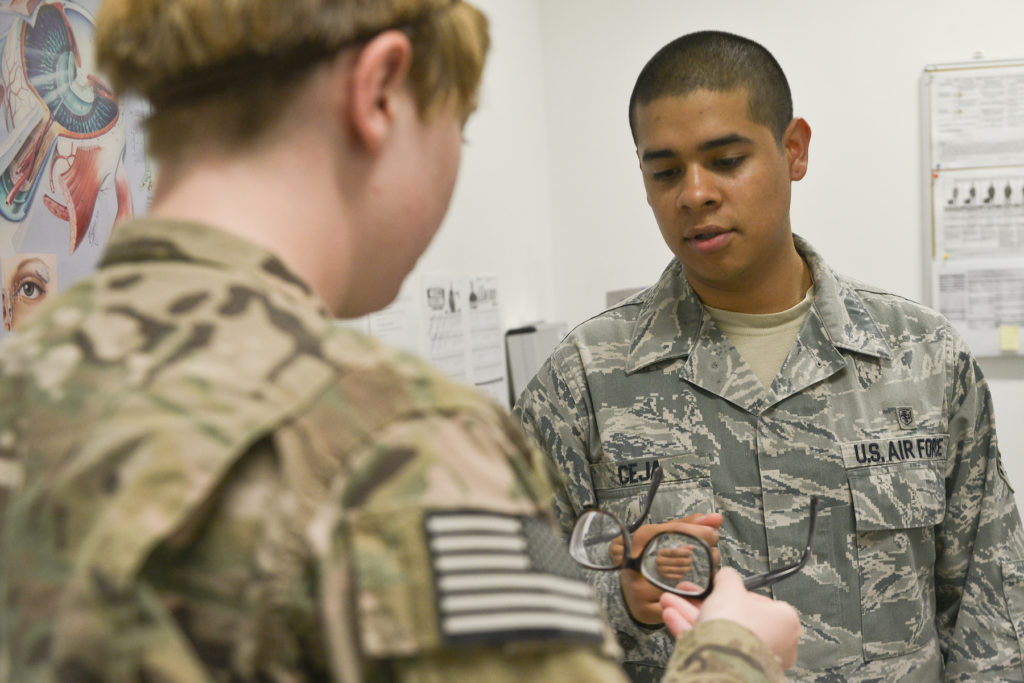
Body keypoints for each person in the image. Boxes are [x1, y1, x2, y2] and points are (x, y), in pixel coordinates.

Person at [0, 4, 800, 681]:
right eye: (458, 125)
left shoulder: (23, 383)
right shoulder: (405, 445)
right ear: (379, 91)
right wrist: (731, 655)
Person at [515, 29, 1024, 682]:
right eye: (665, 171)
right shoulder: (584, 380)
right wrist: (624, 599)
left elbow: (992, 610)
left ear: (794, 150)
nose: (694, 193)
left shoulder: (922, 359)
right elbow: (511, 608)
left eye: (725, 160)